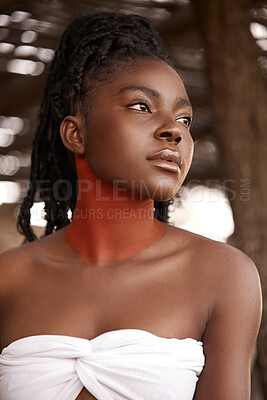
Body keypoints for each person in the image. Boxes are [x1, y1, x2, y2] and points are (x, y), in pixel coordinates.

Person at [0, 11, 262, 400]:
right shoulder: (8, 281)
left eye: (185, 119)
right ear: (76, 132)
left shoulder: (223, 275)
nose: (174, 129)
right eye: (141, 106)